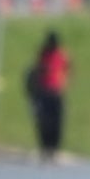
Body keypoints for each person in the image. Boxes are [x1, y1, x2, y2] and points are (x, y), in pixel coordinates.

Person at [24, 29, 70, 160]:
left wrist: (64, 83)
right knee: (44, 122)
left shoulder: (62, 54)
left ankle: (54, 148)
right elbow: (37, 71)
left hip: (56, 92)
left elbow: (68, 69)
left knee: (57, 122)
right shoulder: (43, 53)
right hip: (44, 92)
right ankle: (45, 147)